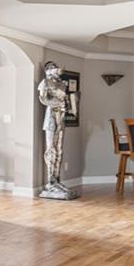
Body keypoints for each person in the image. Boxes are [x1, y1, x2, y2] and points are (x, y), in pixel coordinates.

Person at [37, 60, 77, 199]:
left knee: (59, 149)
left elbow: (66, 100)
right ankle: (50, 182)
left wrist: (68, 104)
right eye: (51, 68)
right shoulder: (45, 82)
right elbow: (43, 99)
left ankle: (56, 180)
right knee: (51, 149)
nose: (55, 70)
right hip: (51, 117)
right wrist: (59, 103)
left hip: (61, 117)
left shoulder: (62, 84)